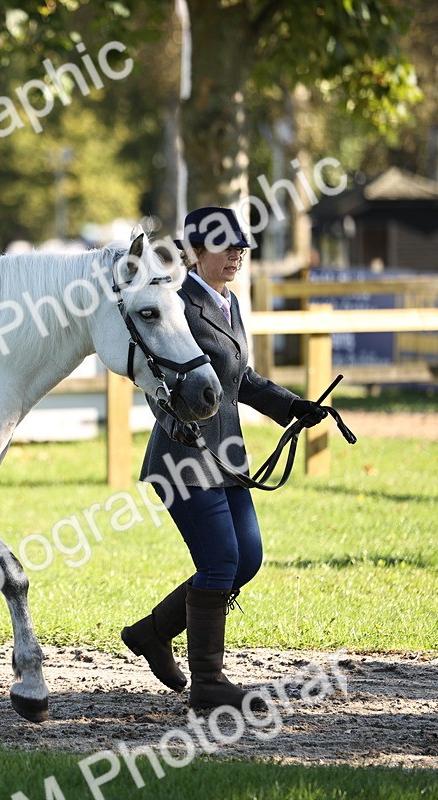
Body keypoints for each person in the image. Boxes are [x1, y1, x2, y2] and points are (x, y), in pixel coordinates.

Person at [121, 206, 325, 711]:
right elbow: (157, 377)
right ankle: (208, 682)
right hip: (184, 456)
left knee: (245, 559)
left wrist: (290, 406)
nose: (236, 254)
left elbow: (240, 378)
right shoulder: (177, 305)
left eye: (240, 247)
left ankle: (152, 632)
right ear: (195, 252)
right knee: (220, 562)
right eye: (224, 246)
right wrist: (176, 422)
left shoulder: (228, 302)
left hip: (226, 455)